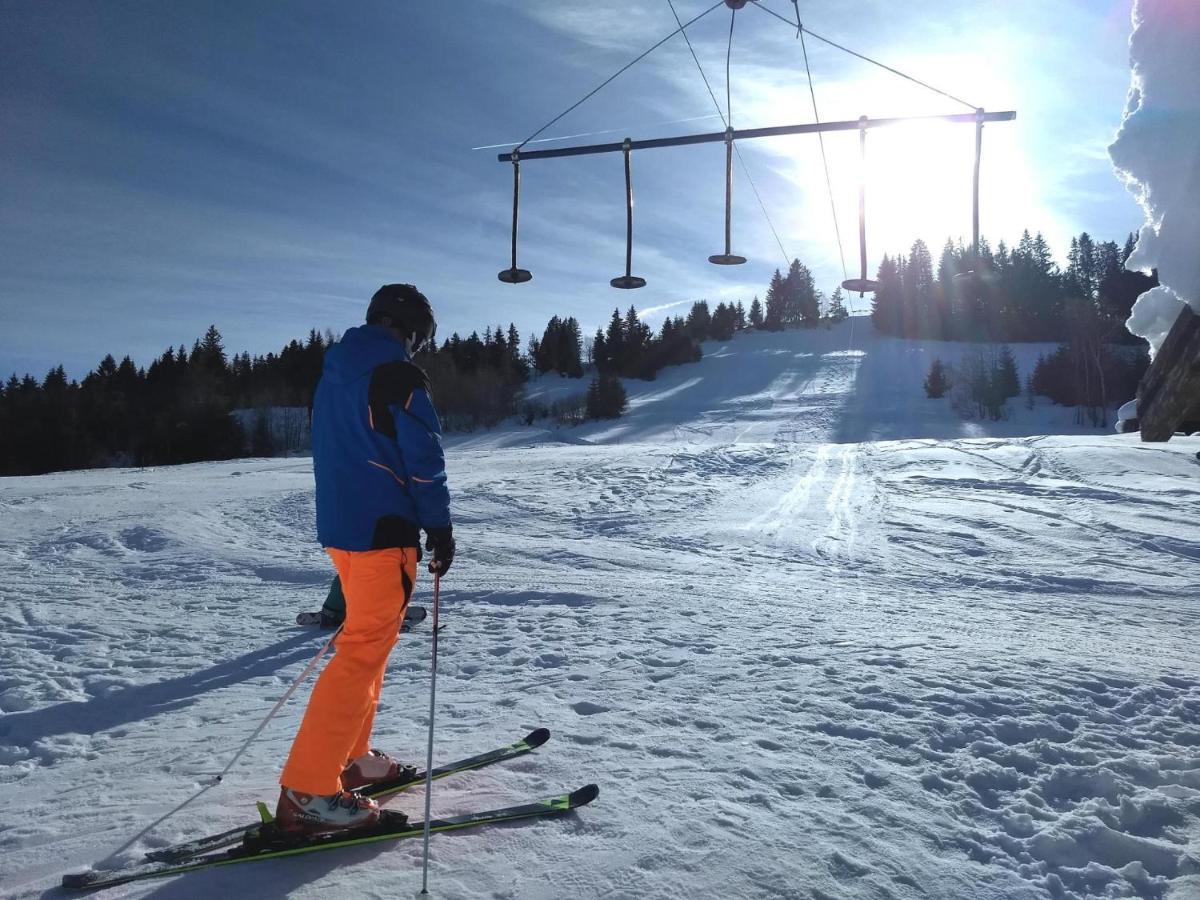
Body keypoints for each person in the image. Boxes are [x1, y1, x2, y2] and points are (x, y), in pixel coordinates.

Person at [275, 283, 455, 834]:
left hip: (344, 530)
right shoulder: (398, 374)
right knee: (361, 653)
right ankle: (309, 789)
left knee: (367, 643)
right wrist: (439, 526)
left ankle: (349, 759)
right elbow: (422, 456)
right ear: (414, 332)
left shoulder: (335, 374)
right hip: (383, 531)